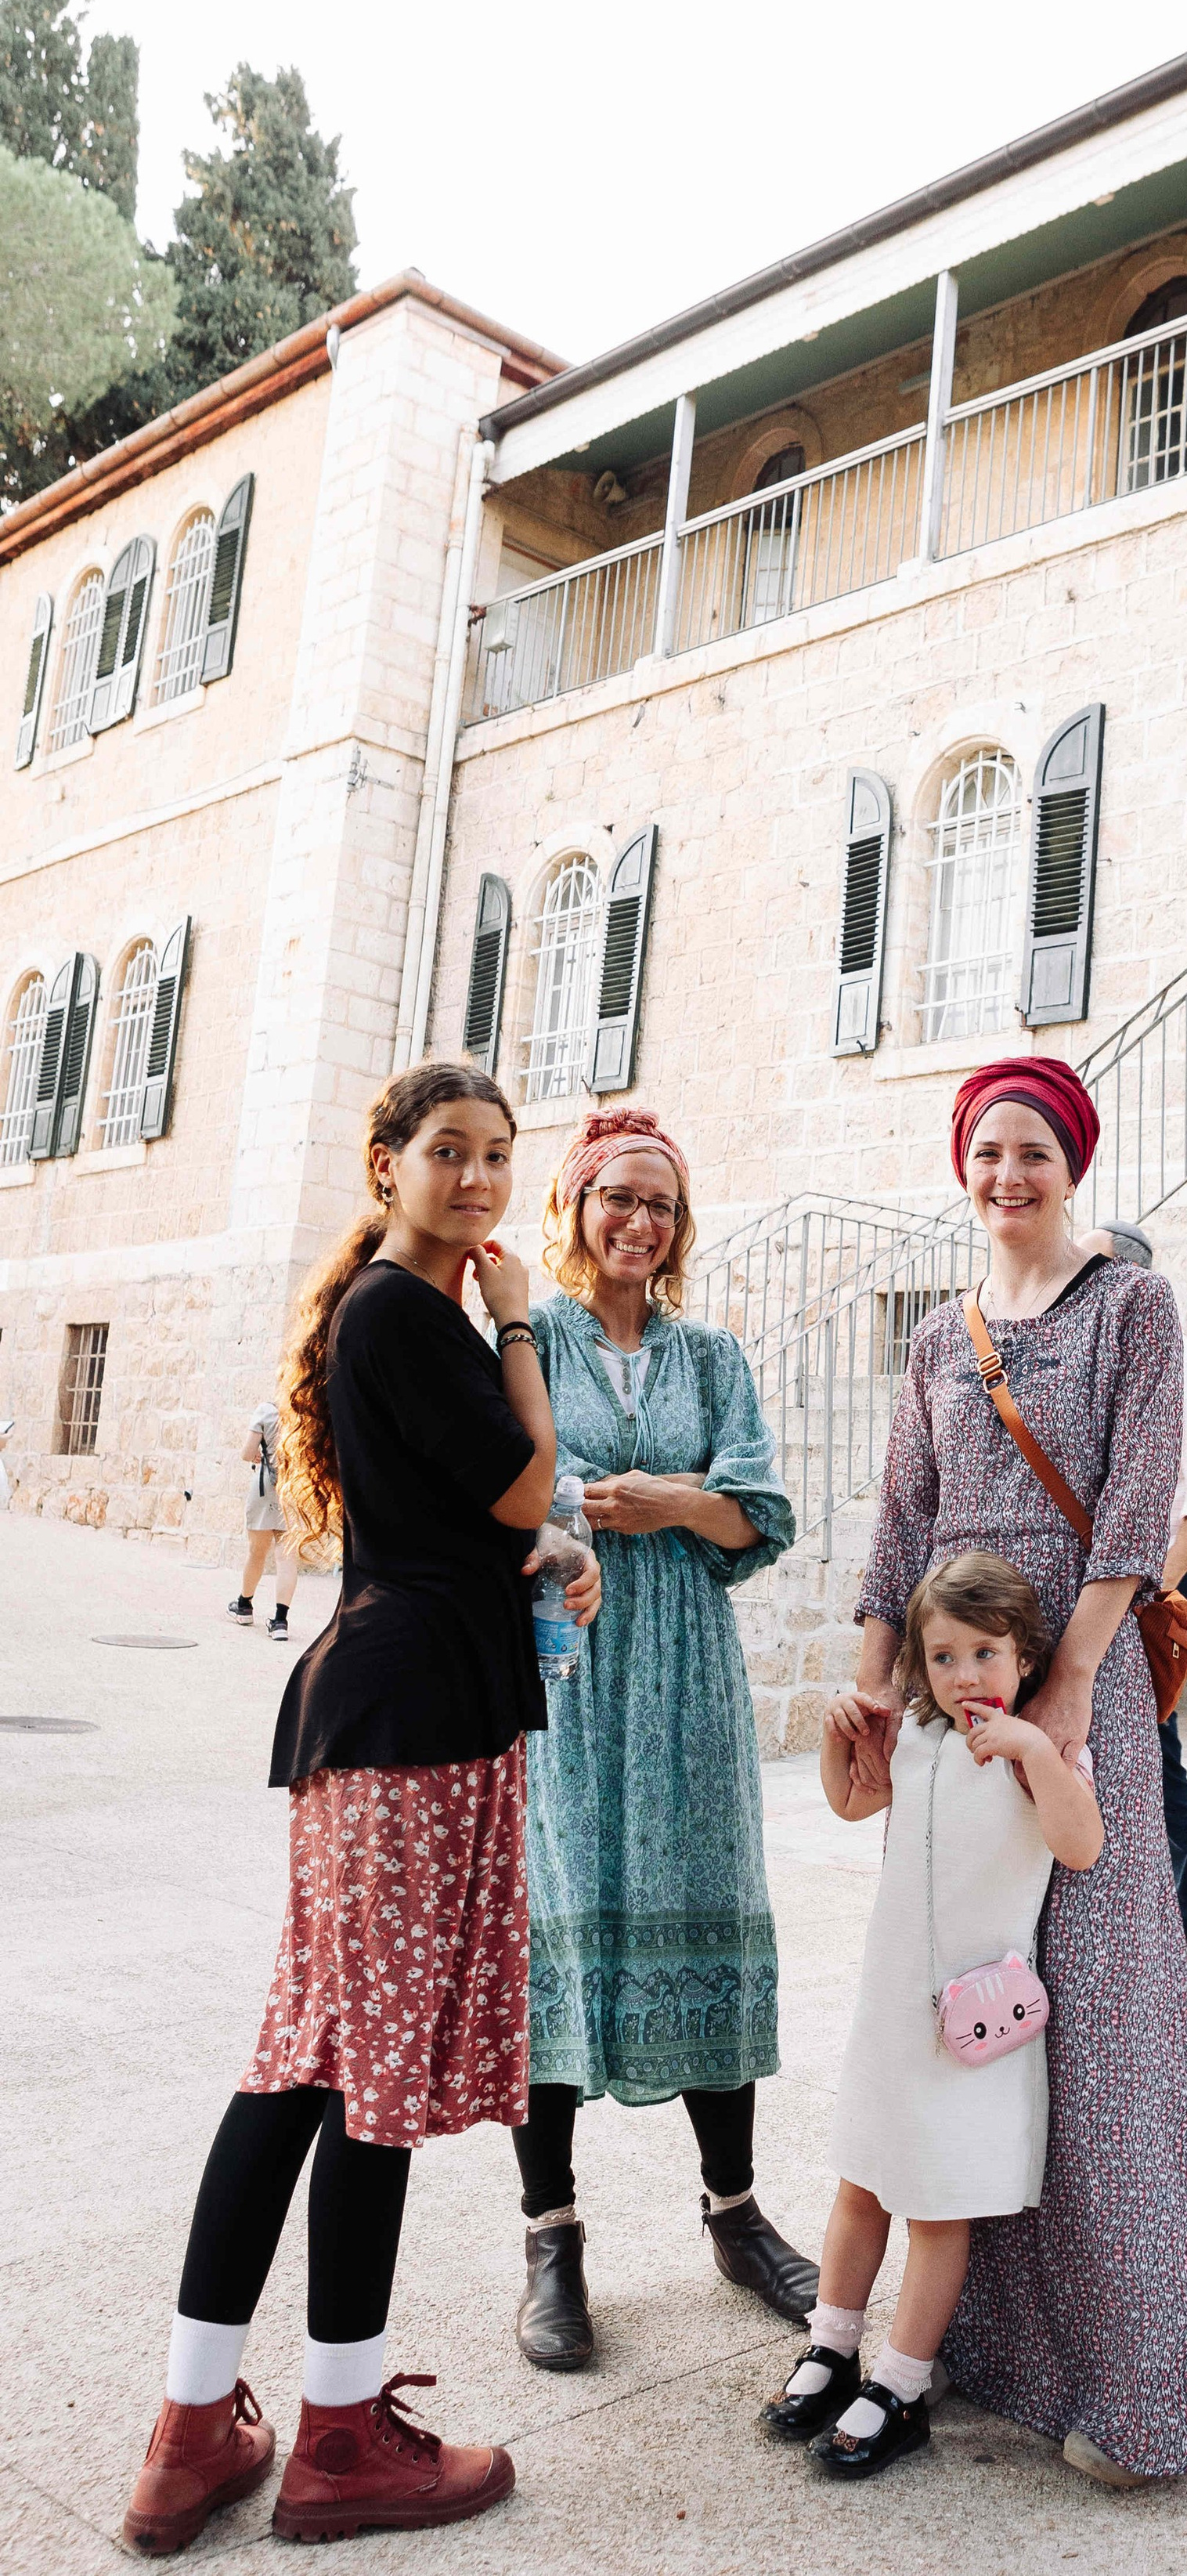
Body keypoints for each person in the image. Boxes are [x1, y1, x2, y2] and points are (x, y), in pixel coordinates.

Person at [120, 1063, 600, 2556]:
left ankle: (202, 2429)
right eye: (448, 1152)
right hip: (410, 1726)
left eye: (499, 1156)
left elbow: (486, 1521)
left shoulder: (394, 1314)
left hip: (402, 1705)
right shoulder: (411, 1309)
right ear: (385, 1165)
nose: (477, 1179)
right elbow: (527, 1486)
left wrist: (545, 1554)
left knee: (314, 2064)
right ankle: (335, 2443)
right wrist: (522, 1318)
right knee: (355, 2072)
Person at [853, 1054, 1187, 2487]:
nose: (1009, 1176)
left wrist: (1077, 1686)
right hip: (956, 1696)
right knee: (964, 2001)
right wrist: (873, 1682)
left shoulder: (1136, 1307)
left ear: (1072, 1161)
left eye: (1034, 1151)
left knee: (1099, 2025)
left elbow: (1143, 1501)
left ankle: (1145, 2391)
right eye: (988, 1152)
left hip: (1070, 1689)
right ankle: (978, 2343)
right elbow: (904, 1510)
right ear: (963, 1167)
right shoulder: (938, 1335)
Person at [511, 1108, 815, 2372]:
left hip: (687, 1667)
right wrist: (597, 1500)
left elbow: (762, 1514)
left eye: (664, 1206)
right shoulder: (525, 1342)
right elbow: (506, 1479)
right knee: (561, 1911)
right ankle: (552, 2235)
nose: (641, 1222)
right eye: (619, 1198)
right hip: (564, 1659)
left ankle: (735, 2213)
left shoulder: (713, 1357)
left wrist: (677, 1503)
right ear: (578, 1205)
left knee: (705, 1897)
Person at [761, 1551, 1103, 2478]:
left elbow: (1080, 1848)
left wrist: (1037, 1751)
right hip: (889, 2008)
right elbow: (848, 1801)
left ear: (1024, 1657)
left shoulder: (1043, 1750)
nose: (964, 1677)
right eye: (943, 1656)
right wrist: (841, 1735)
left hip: (973, 2025)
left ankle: (901, 2383)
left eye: (985, 1654)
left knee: (937, 2208)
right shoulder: (917, 1737)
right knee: (862, 2180)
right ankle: (833, 2345)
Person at [1086, 1222, 1187, 1974]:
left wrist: (1149, 1592)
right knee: (1141, 1757)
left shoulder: (1180, 1359)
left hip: (1155, 1593)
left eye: (1091, 1266)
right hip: (1125, 1592)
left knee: (1149, 1758)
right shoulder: (1110, 1361)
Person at [226, 1401, 300, 1641]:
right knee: (287, 1557)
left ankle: (244, 1605)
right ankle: (280, 1622)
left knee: (257, 1552)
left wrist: (258, 1455)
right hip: (294, 1487)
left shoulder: (267, 1411)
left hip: (265, 1486)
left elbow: (247, 1453)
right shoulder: (307, 1412)